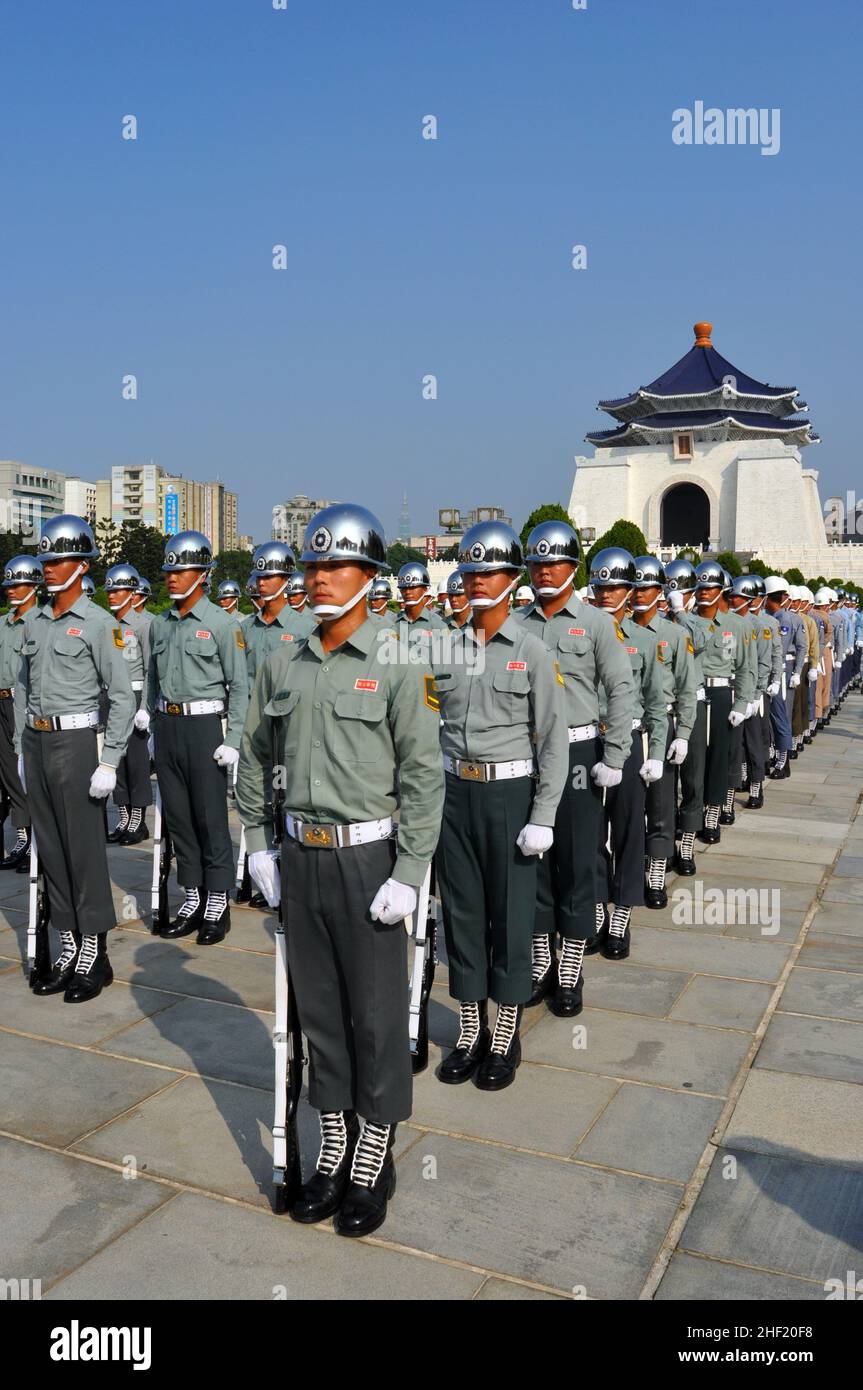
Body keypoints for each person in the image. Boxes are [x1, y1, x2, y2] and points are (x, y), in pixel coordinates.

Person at [237, 503, 444, 1237]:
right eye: (313, 565)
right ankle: (331, 1145)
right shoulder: (284, 660)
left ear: (370, 576)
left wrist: (410, 870)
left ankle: (373, 1152)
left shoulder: (396, 661)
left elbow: (424, 774)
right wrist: (259, 841)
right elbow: (254, 754)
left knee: (378, 1014)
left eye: (335, 566)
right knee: (318, 1010)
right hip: (301, 855)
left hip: (369, 860)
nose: (319, 578)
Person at [432, 521, 567, 1087]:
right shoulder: (443, 646)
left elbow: (554, 737)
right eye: (470, 572)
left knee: (511, 917)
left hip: (510, 794)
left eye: (490, 572)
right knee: (461, 914)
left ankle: (506, 1031)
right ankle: (471, 1027)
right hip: (453, 794)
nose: (478, 581)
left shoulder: (532, 651)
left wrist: (543, 815)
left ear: (513, 580)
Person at [15, 515, 134, 1002]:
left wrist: (110, 760)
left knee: (83, 853)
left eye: (59, 559)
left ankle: (93, 952)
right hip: (39, 743)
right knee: (53, 851)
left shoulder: (99, 623)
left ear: (82, 565)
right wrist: (23, 744)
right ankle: (67, 945)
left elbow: (123, 696)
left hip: (76, 744)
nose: (49, 568)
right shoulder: (35, 622)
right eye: (45, 560)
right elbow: (22, 686)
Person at [516, 521, 633, 1012]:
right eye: (538, 564)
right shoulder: (515, 622)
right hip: (527, 752)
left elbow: (621, 689)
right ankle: (541, 954)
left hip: (581, 751)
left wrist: (616, 754)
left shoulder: (597, 623)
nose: (545, 572)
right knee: (532, 860)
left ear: (574, 567)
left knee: (578, 856)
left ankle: (571, 962)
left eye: (555, 563)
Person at [147, 531, 249, 945]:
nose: (172, 577)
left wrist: (235, 738)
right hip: (168, 728)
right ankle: (192, 896)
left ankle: (217, 901)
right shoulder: (159, 624)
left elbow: (240, 686)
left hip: (205, 730)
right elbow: (153, 682)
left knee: (210, 818)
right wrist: (153, 726)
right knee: (178, 818)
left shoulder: (223, 624)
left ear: (203, 573)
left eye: (182, 569)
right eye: (169, 569)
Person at [589, 548, 667, 957]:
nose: (606, 594)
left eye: (614, 586)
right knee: (590, 833)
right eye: (600, 586)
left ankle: (622, 913)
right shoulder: (581, 633)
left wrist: (655, 749)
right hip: (588, 739)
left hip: (630, 740)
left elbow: (657, 699)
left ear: (629, 590)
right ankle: (599, 909)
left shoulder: (643, 640)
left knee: (628, 830)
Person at [630, 557, 697, 908]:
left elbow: (687, 688)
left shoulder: (675, 634)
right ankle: (627, 870)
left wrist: (683, 732)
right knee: (626, 809)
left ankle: (656, 872)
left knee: (660, 805)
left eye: (647, 588)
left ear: (660, 592)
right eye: (635, 587)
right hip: (625, 728)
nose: (640, 594)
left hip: (662, 725)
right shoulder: (617, 631)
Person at [685, 561, 754, 840]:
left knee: (719, 759)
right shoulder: (684, 621)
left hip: (722, 693)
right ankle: (690, 818)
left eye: (710, 587)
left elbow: (746, 667)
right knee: (693, 763)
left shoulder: (736, 625)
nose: (703, 592)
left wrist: (742, 703)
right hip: (693, 696)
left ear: (721, 590)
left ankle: (712, 813)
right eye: (700, 587)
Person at [104, 563, 153, 844]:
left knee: (136, 763)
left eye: (118, 589)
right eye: (109, 589)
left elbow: (149, 670)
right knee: (116, 760)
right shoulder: (106, 624)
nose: (112, 595)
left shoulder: (144, 625)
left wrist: (145, 706)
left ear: (132, 593)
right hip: (112, 697)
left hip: (135, 698)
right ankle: (123, 817)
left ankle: (138, 820)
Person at [0, 555, 42, 870]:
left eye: (18, 584)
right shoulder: (2, 624)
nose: (11, 590)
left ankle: (36, 844)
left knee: (25, 773)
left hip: (26, 705)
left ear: (34, 586)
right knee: (9, 774)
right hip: (1, 704)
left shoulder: (42, 623)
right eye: (9, 585)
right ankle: (22, 838)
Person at [244, 542, 314, 684]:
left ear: (286, 578)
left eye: (268, 577)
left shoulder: (306, 628)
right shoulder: (246, 627)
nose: (261, 583)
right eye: (259, 577)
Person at [764, 576, 805, 780]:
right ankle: (778, 756)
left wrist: (794, 672)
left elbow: (781, 650)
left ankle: (783, 761)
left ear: (770, 598)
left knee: (780, 717)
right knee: (775, 717)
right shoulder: (777, 617)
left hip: (780, 668)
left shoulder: (783, 619)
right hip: (779, 668)